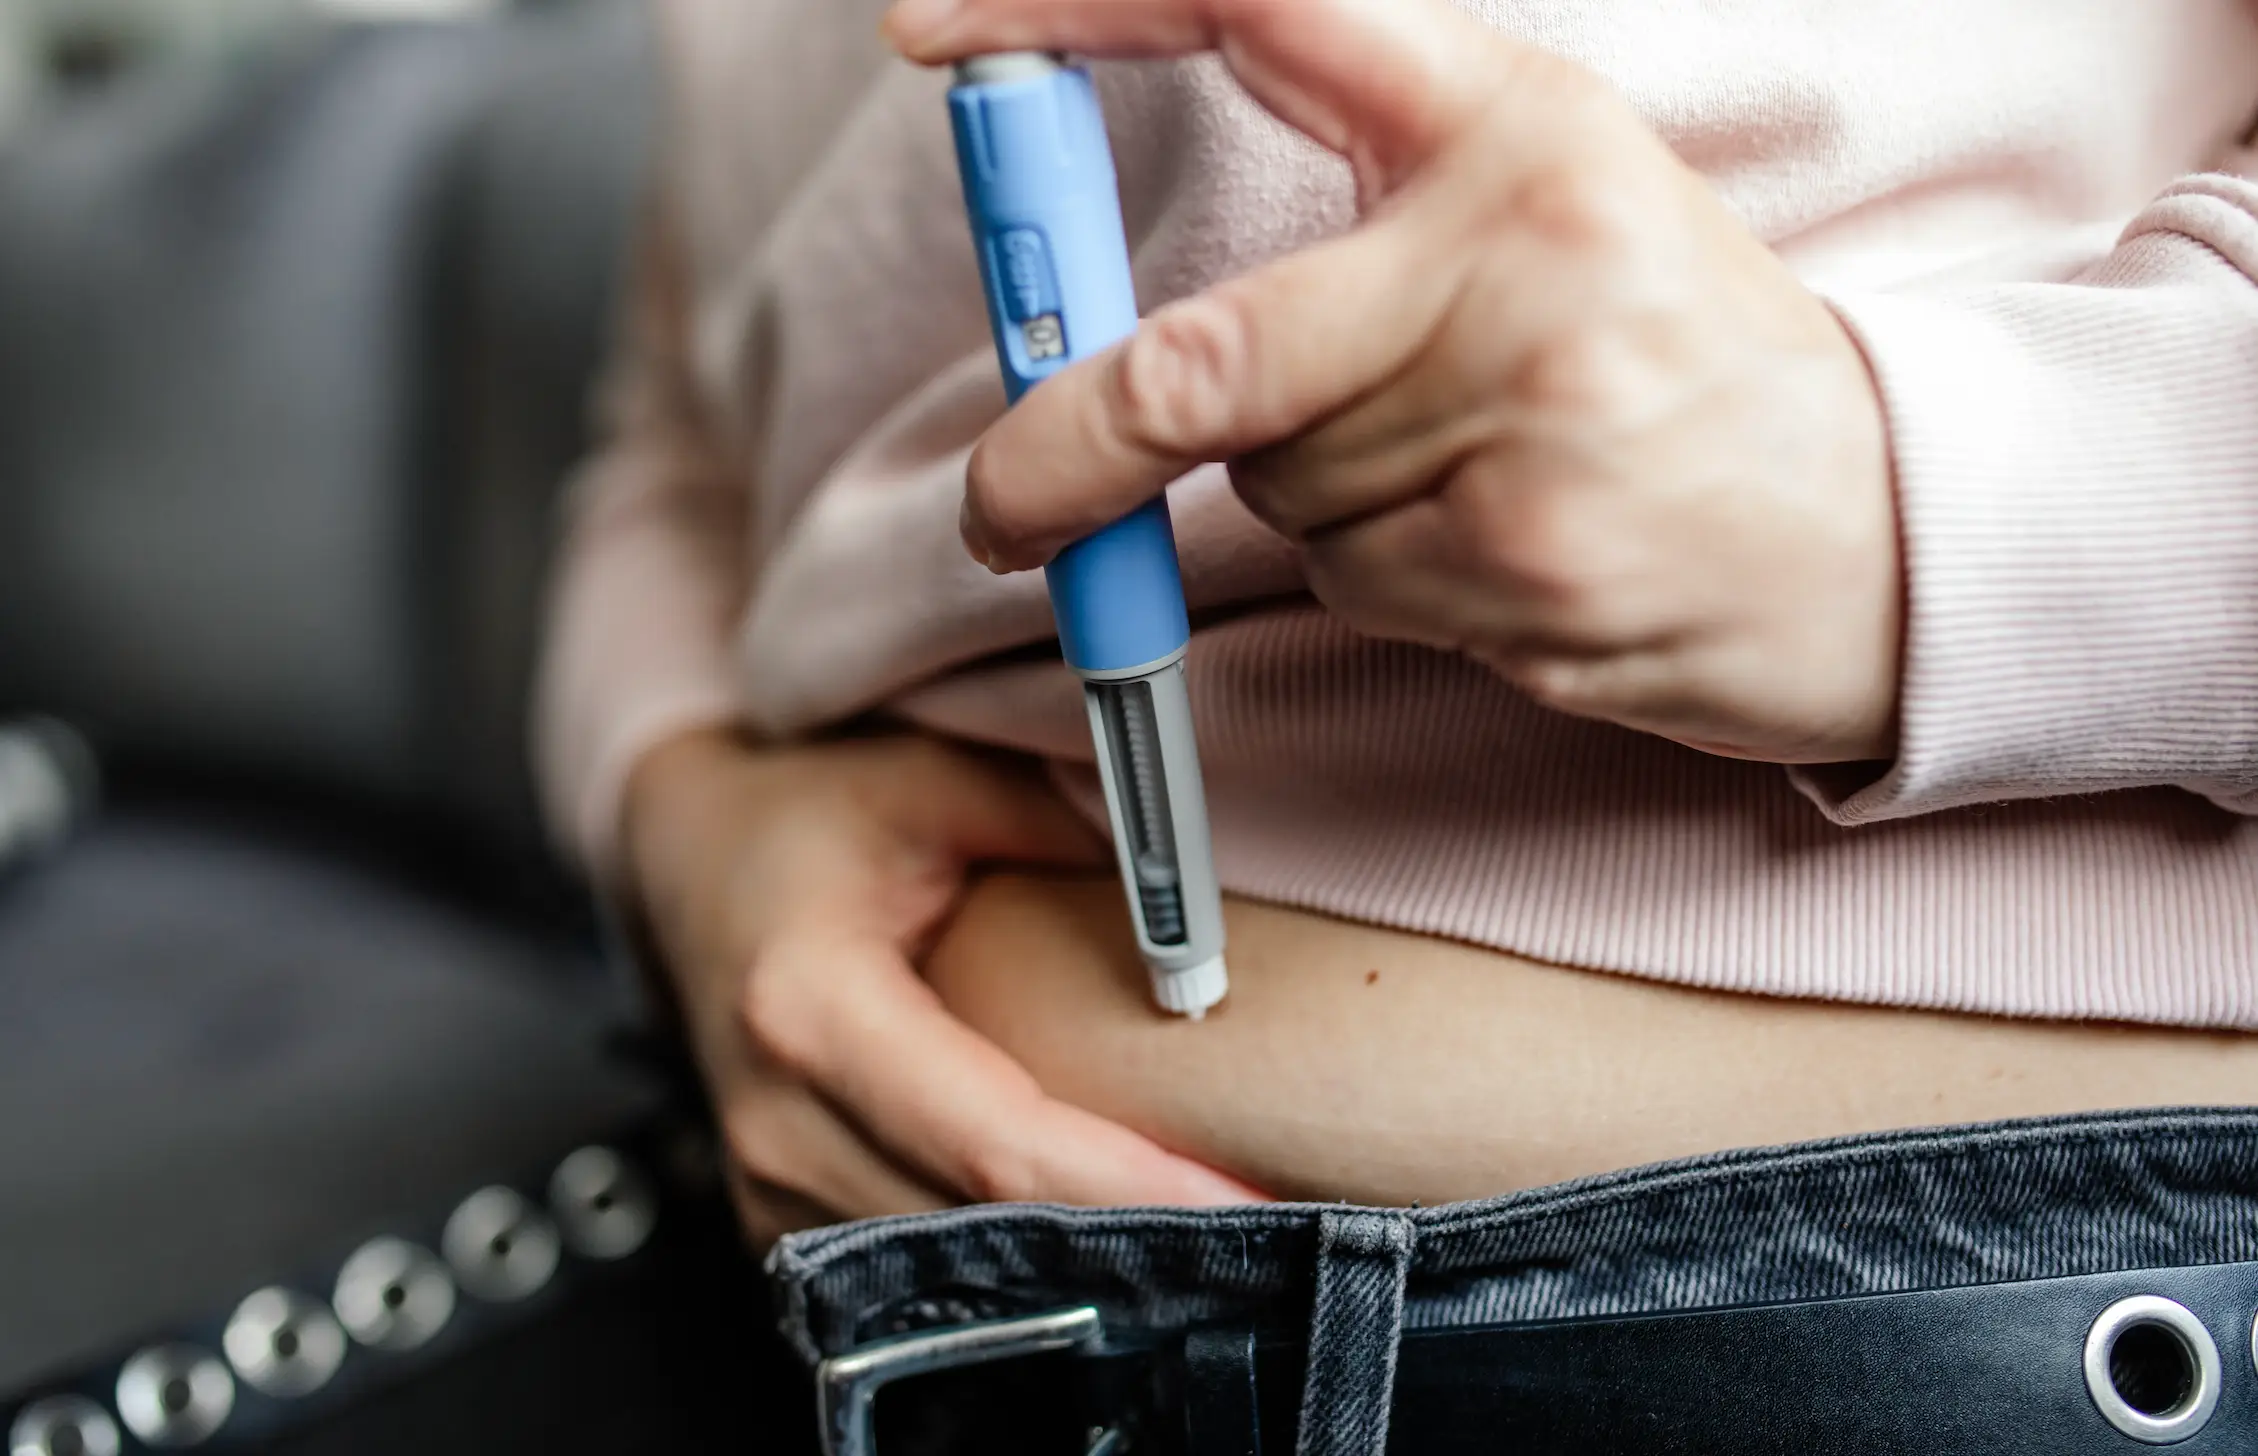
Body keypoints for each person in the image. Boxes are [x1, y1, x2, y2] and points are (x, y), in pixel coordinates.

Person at [536, 0, 2258, 1245]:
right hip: (882, 1266)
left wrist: (1901, 497)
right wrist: (690, 811)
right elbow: (678, 423)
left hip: (1895, 1297)